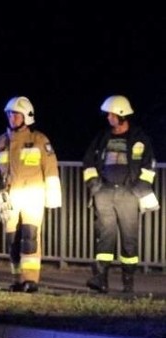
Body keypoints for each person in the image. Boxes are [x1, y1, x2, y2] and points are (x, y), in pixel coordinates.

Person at [0, 96, 63, 293]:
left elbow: (51, 169)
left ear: (26, 117)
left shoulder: (39, 140)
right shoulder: (1, 141)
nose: (12, 118)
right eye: (10, 114)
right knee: (12, 241)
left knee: (30, 238)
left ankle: (31, 280)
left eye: (16, 115)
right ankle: (17, 279)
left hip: (33, 196)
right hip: (9, 198)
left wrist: (53, 196)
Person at [82, 95, 159, 294]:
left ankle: (128, 284)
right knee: (104, 236)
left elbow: (149, 167)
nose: (108, 117)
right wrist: (95, 185)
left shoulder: (139, 138)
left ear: (122, 115)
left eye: (112, 114)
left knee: (129, 239)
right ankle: (101, 280)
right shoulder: (102, 137)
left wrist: (136, 189)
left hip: (129, 195)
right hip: (104, 193)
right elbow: (88, 162)